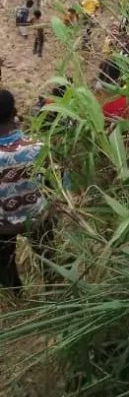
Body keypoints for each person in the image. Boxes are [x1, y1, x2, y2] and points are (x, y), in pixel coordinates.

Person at [0, 89, 49, 288]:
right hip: (38, 216)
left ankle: (16, 298)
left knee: (4, 268)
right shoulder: (37, 146)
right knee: (50, 259)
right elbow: (57, 185)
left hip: (2, 225)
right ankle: (57, 293)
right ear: (15, 112)